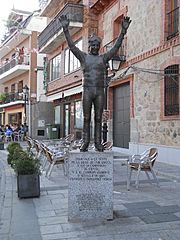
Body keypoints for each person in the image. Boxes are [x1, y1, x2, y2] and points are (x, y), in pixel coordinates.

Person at [59, 15, 131, 152]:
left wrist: (122, 32)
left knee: (98, 118)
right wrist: (66, 30)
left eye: (98, 45)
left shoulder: (103, 58)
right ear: (90, 46)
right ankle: (85, 142)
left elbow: (116, 47)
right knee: (86, 118)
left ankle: (98, 143)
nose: (96, 47)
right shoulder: (83, 57)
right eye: (94, 45)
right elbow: (72, 46)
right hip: (87, 90)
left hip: (99, 91)